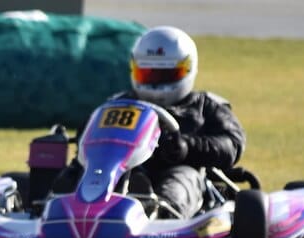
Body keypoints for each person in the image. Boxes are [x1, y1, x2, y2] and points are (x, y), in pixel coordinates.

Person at [54, 26, 246, 219]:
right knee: (85, 172)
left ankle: (162, 212)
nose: (156, 83)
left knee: (180, 180)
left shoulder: (205, 106)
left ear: (187, 68)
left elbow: (232, 144)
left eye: (165, 76)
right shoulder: (118, 104)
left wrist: (188, 147)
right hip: (124, 168)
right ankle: (63, 203)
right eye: (148, 75)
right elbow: (88, 134)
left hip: (182, 168)